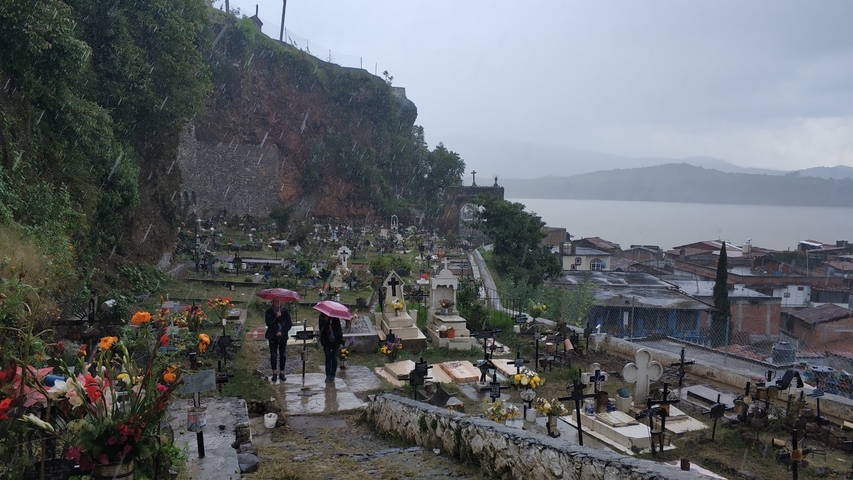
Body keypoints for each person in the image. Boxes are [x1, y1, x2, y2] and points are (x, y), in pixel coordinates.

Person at [265, 298, 292, 384]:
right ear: (272, 302)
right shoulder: (269, 312)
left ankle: (282, 372)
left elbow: (289, 324)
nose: (277, 303)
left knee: (283, 355)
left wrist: (282, 332)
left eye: (278, 301)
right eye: (275, 301)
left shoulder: (285, 312)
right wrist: (275, 317)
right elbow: (268, 323)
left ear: (281, 302)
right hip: (272, 336)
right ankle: (274, 372)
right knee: (273, 355)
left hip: (282, 336)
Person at [318, 313, 344, 384]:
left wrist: (341, 341)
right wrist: (327, 323)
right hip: (326, 342)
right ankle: (328, 375)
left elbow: (339, 329)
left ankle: (333, 375)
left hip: (335, 342)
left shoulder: (335, 318)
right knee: (328, 358)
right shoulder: (322, 318)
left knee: (334, 358)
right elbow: (321, 329)